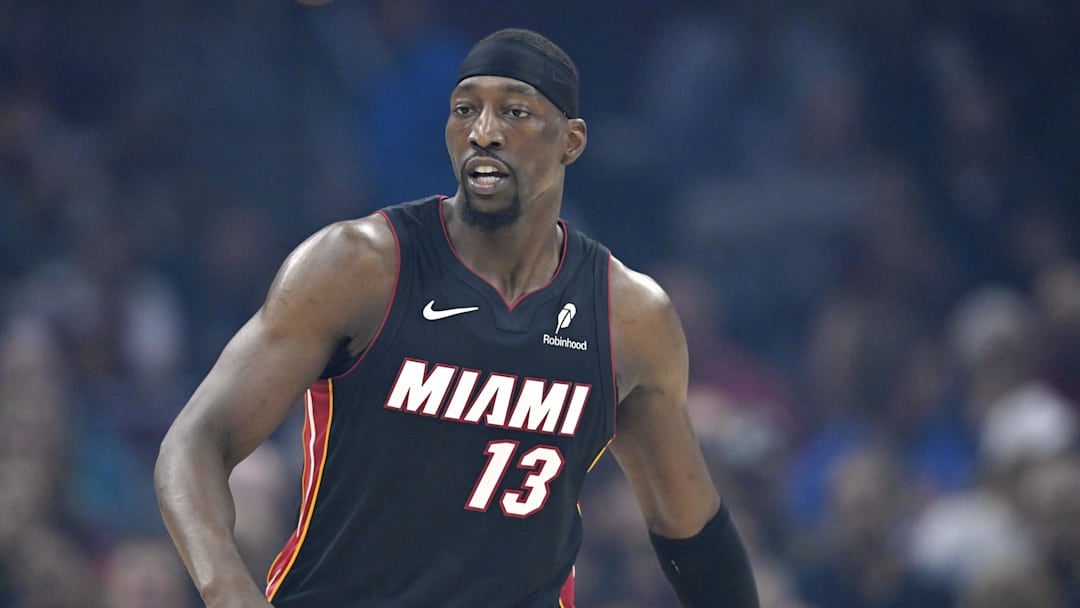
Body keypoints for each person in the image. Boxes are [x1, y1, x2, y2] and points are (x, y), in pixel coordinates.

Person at [154, 28, 759, 608]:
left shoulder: (627, 315)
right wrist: (230, 592)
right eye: (465, 110)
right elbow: (195, 443)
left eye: (514, 112)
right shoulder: (358, 266)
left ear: (571, 140)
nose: (484, 133)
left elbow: (693, 534)